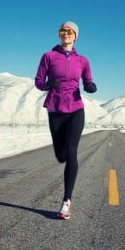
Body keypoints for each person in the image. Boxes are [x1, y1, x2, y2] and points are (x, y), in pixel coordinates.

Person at [35, 21, 97, 220]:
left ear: (75, 36)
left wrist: (89, 86)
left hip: (76, 109)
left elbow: (88, 80)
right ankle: (62, 157)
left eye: (69, 31)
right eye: (62, 31)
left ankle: (66, 201)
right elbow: (38, 81)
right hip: (55, 109)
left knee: (71, 152)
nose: (65, 34)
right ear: (59, 35)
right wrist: (47, 85)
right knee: (61, 155)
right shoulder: (48, 56)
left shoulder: (83, 60)